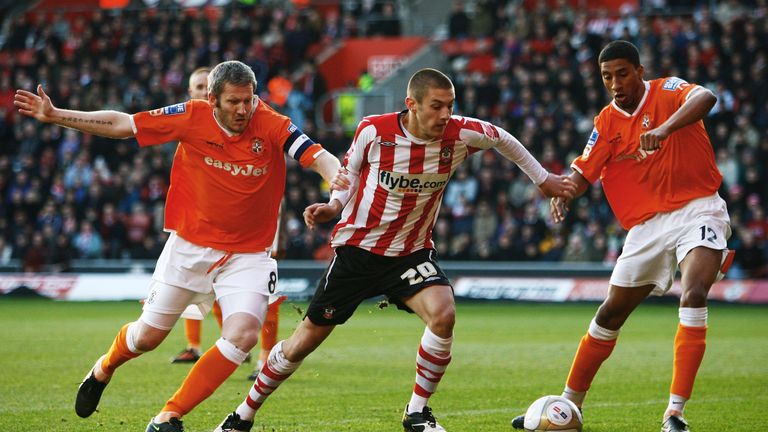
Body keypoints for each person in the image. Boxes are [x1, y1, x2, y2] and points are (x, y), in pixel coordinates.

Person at [212, 68, 576, 432]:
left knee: (443, 314)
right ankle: (243, 414)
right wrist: (334, 206)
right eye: (436, 106)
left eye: (450, 106)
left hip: (411, 251)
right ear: (411, 104)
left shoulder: (461, 133)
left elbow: (504, 140)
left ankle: (417, 412)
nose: (445, 114)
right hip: (359, 250)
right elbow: (349, 173)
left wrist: (543, 181)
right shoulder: (375, 130)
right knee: (301, 344)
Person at [14, 60, 340, 432]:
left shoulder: (271, 123)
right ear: (212, 99)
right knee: (147, 337)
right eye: (233, 102)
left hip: (248, 254)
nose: (243, 110)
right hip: (189, 248)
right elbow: (125, 124)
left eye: (248, 101)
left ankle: (168, 416)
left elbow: (321, 158)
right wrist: (57, 116)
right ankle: (103, 368)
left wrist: (334, 198)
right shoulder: (190, 115)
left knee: (243, 335)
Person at [510, 41, 733, 432]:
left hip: (698, 207)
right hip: (645, 227)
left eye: (622, 73)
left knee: (694, 291)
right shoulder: (605, 123)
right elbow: (582, 172)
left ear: (640, 71)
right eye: (606, 76)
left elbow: (707, 96)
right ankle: (567, 405)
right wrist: (564, 194)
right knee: (610, 314)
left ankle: (674, 414)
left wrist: (663, 129)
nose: (614, 83)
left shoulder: (667, 90)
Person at [172, 67, 286, 369]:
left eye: (202, 86)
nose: (197, 92)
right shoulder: (190, 124)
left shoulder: (252, 121)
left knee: (264, 290)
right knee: (204, 286)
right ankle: (201, 344)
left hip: (255, 219)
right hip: (205, 224)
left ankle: (265, 354)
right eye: (194, 87)